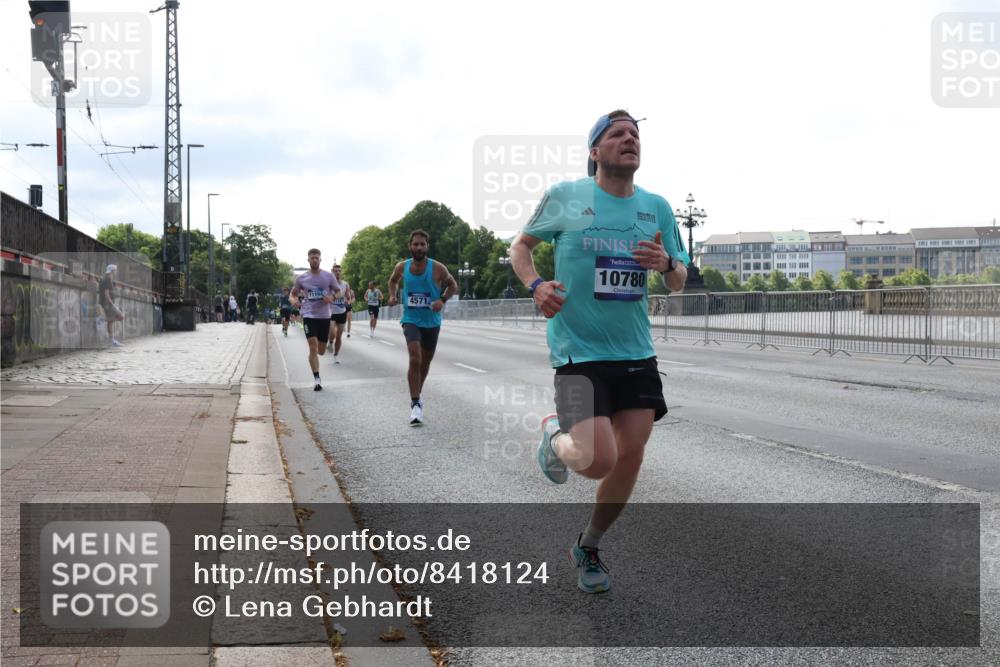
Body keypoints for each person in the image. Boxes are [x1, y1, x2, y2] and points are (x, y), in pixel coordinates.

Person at [509, 110, 690, 594]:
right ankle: (554, 435)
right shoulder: (566, 197)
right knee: (595, 461)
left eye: (635, 134)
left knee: (630, 456)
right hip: (575, 351)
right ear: (595, 152)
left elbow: (679, 282)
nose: (629, 139)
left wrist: (667, 262)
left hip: (635, 350)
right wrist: (537, 285)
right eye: (617, 134)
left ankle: (588, 546)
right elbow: (519, 248)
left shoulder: (657, 208)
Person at [387, 230, 458, 426]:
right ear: (410, 246)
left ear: (427, 247)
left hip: (432, 321)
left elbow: (453, 286)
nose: (419, 247)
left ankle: (417, 392)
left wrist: (442, 300)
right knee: (415, 357)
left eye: (422, 244)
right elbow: (393, 281)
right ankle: (415, 403)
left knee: (425, 363)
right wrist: (392, 296)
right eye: (415, 244)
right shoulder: (402, 267)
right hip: (411, 319)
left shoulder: (437, 268)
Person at [290, 249, 342, 391]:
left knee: (321, 351)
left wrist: (332, 297)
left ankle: (325, 347)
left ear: (320, 259)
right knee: (312, 346)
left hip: (324, 316)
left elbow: (338, 291)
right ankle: (317, 379)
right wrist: (293, 300)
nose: (314, 260)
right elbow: (293, 294)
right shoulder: (302, 278)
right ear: (308, 260)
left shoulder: (328, 276)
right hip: (308, 315)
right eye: (312, 258)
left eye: (317, 258)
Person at [327, 264, 354, 363]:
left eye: (339, 271)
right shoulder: (328, 284)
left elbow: (348, 295)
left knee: (339, 336)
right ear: (332, 272)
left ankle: (336, 355)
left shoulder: (345, 284)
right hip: (331, 312)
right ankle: (330, 342)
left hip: (342, 312)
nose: (337, 272)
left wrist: (348, 300)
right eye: (336, 271)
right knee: (332, 333)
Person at [98, 264, 125, 347]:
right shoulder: (108, 278)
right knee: (121, 316)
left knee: (110, 322)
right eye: (115, 270)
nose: (116, 272)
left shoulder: (104, 278)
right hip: (108, 303)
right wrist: (112, 303)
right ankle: (102, 319)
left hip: (104, 303)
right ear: (112, 270)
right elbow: (106, 293)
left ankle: (112, 341)